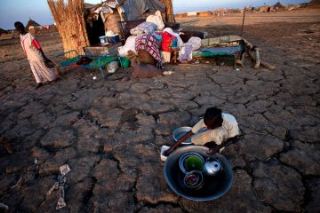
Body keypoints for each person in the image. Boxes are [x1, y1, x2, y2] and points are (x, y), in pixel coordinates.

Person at [14, 21, 59, 88]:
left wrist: (44, 57)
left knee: (44, 67)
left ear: (23, 27)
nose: (19, 30)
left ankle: (53, 77)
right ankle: (39, 82)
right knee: (35, 69)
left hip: (36, 55)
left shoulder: (30, 36)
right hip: (29, 56)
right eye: (17, 28)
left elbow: (38, 46)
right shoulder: (21, 36)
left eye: (20, 27)